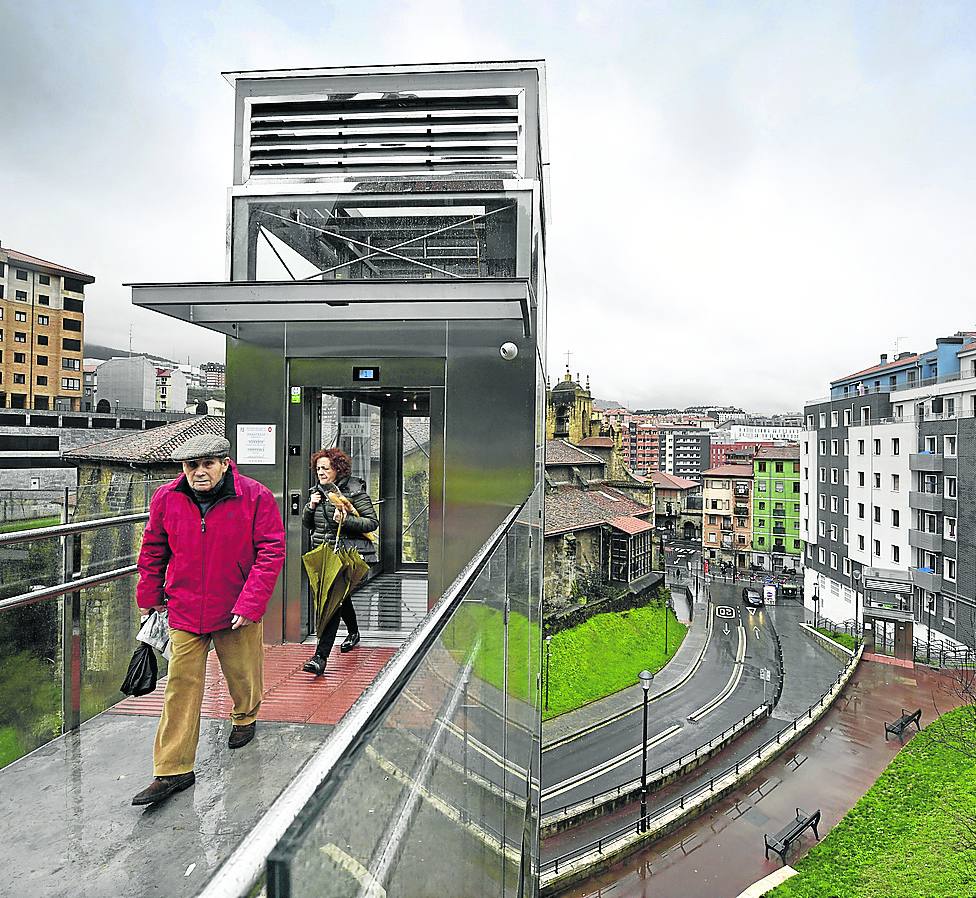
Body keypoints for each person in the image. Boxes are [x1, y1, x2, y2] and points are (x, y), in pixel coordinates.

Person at [130, 434, 285, 806]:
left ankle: (245, 716)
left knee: (243, 673)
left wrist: (250, 603)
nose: (199, 472)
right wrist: (149, 597)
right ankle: (172, 769)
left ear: (224, 463)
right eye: (191, 465)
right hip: (182, 608)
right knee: (180, 687)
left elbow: (271, 550)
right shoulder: (167, 498)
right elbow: (153, 547)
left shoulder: (255, 496)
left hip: (235, 609)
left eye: (207, 464)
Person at [301, 447, 378, 676]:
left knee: (330, 603)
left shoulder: (354, 492)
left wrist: (346, 520)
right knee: (340, 599)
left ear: (338, 469)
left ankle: (320, 656)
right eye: (318, 469)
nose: (321, 473)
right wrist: (310, 506)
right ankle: (353, 632)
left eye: (325, 468)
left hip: (345, 556)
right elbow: (308, 524)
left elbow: (371, 523)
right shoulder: (316, 492)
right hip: (322, 554)